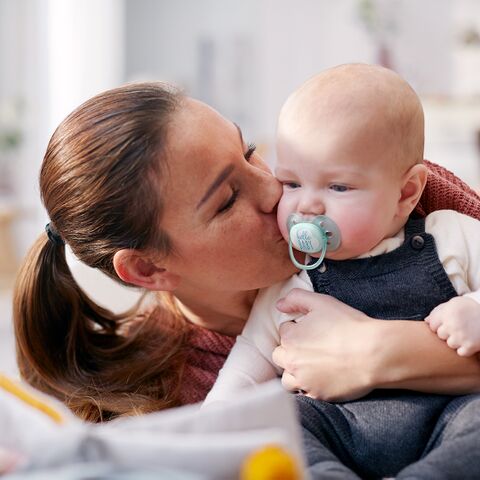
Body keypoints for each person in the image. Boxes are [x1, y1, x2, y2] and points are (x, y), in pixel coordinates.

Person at [12, 79, 480, 476]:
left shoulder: (385, 196)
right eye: (227, 199)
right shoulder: (175, 403)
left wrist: (381, 353)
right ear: (149, 268)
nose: (277, 190)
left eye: (250, 152)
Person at [204, 64, 480, 478]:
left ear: (406, 193)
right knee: (279, 424)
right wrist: (216, 419)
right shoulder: (293, 279)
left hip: (450, 416)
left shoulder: (451, 235)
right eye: (292, 183)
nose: (307, 206)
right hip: (337, 427)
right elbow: (253, 354)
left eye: (338, 187)